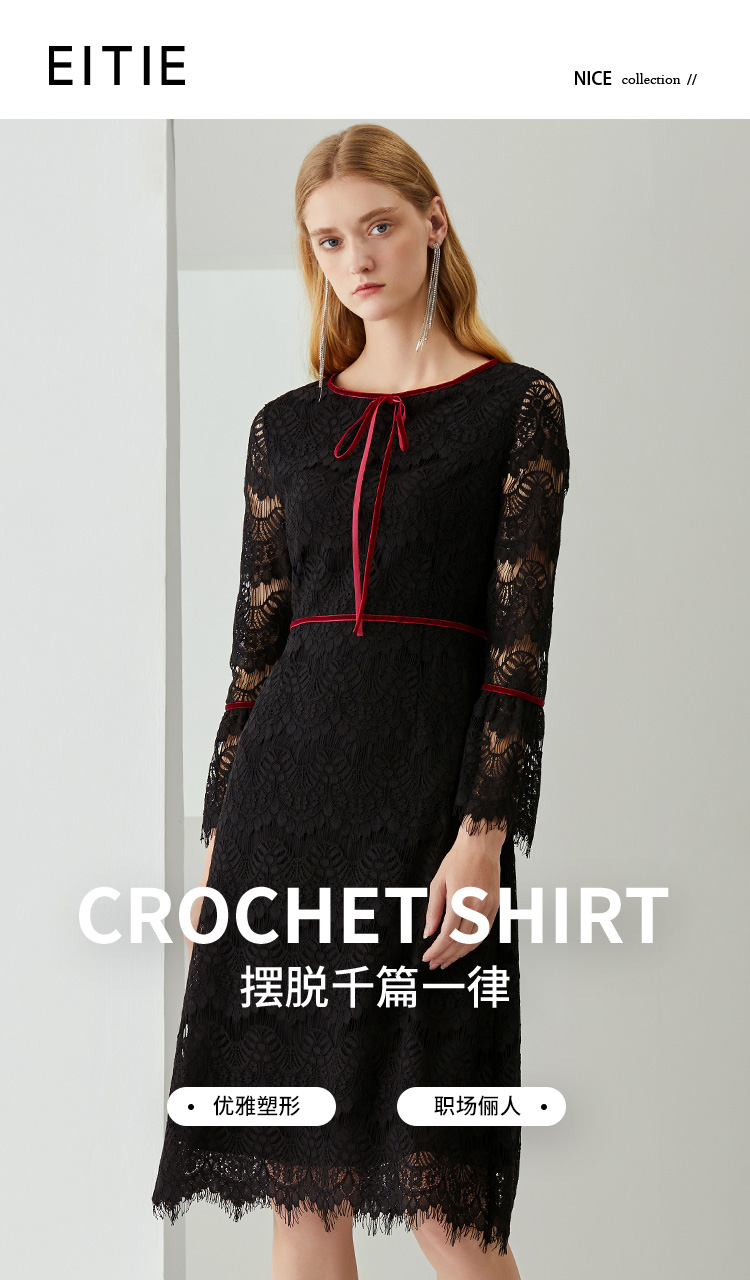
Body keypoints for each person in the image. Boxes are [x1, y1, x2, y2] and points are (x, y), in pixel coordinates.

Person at [152, 123, 571, 1280]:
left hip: (429, 818)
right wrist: (217, 847)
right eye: (329, 240)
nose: (358, 257)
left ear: (433, 220)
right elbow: (254, 657)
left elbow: (518, 653)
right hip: (285, 817)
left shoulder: (516, 406)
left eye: (378, 225)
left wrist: (481, 837)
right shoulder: (285, 428)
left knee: (448, 1205)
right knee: (305, 1190)